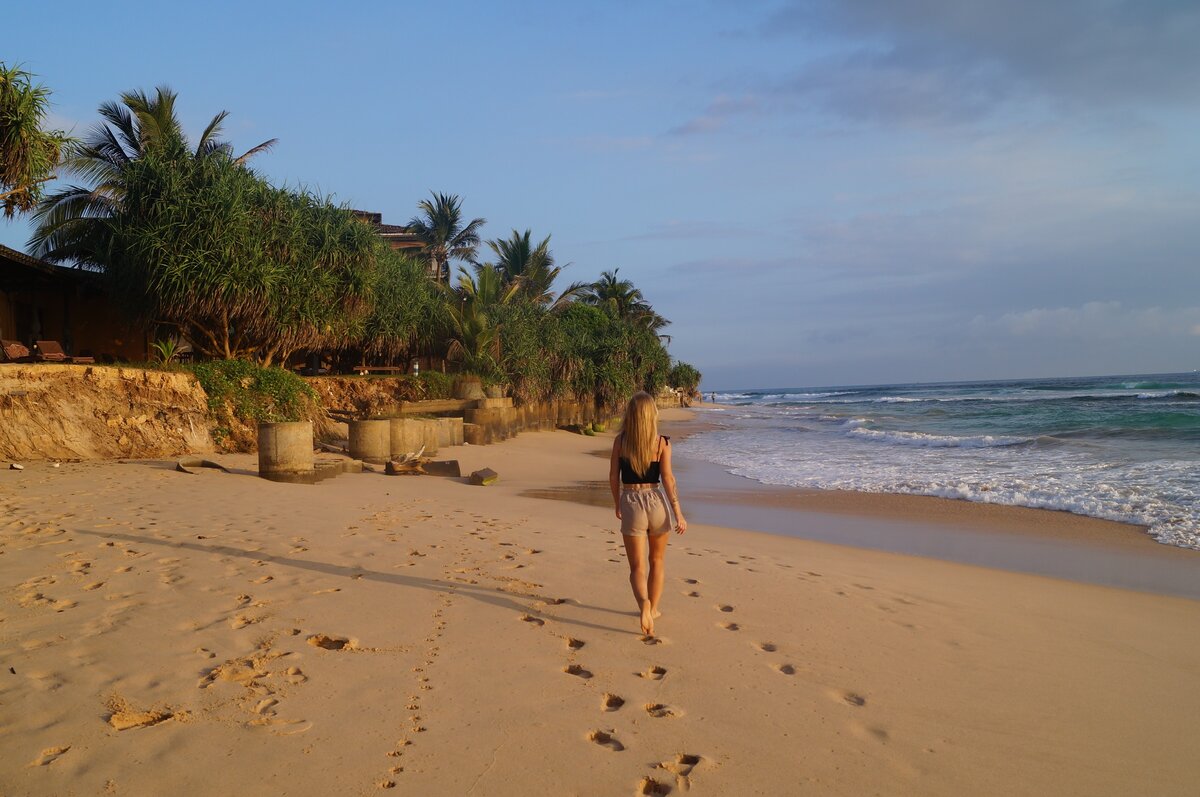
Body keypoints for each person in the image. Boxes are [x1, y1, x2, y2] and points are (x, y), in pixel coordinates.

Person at [609, 391, 687, 636]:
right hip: (656, 503)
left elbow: (613, 476)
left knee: (637, 568)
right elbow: (668, 479)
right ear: (652, 414)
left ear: (630, 415)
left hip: (632, 500)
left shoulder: (621, 442)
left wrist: (617, 503)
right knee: (658, 561)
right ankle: (653, 609)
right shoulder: (662, 443)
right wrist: (678, 513)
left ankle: (643, 602)